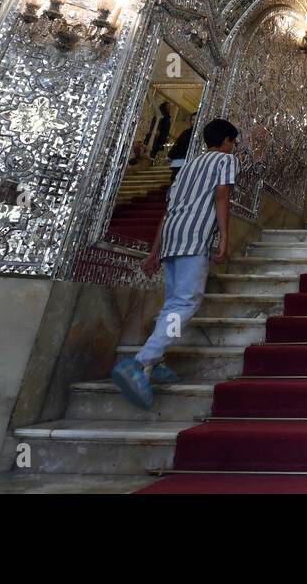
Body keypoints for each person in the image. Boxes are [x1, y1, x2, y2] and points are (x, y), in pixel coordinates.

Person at [111, 118, 239, 410]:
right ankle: (141, 361)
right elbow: (222, 196)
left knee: (171, 304)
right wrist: (224, 237)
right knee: (185, 304)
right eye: (233, 142)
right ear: (227, 141)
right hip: (194, 237)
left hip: (171, 236)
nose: (233, 148)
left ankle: (155, 363)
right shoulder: (225, 160)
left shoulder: (187, 167)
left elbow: (168, 210)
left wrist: (155, 252)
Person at [166, 112, 196, 185]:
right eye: (192, 119)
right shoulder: (186, 133)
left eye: (196, 119)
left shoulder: (203, 133)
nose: (194, 122)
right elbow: (178, 144)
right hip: (180, 162)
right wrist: (169, 156)